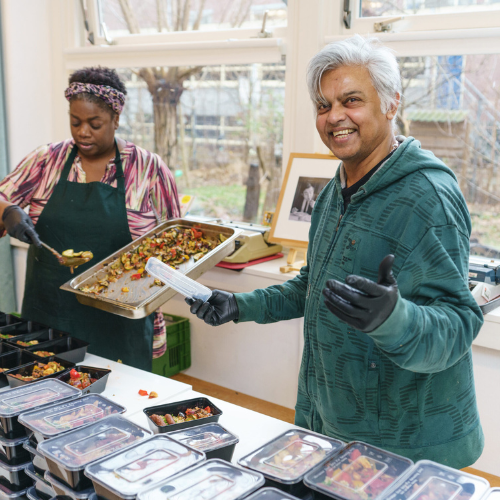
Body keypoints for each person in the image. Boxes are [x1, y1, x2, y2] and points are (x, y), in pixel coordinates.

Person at [186, 35, 484, 468]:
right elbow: (313, 287)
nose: (334, 117)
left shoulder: (428, 196)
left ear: (391, 103)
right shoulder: (333, 192)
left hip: (408, 448)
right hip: (333, 424)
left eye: (351, 100)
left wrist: (393, 317)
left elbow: (458, 325)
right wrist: (238, 305)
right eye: (323, 105)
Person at [0, 67, 180, 371]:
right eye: (76, 122)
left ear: (116, 119)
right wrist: (7, 211)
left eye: (95, 124)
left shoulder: (148, 169)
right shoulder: (47, 160)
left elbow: (175, 242)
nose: (83, 132)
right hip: (51, 315)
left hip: (121, 319)